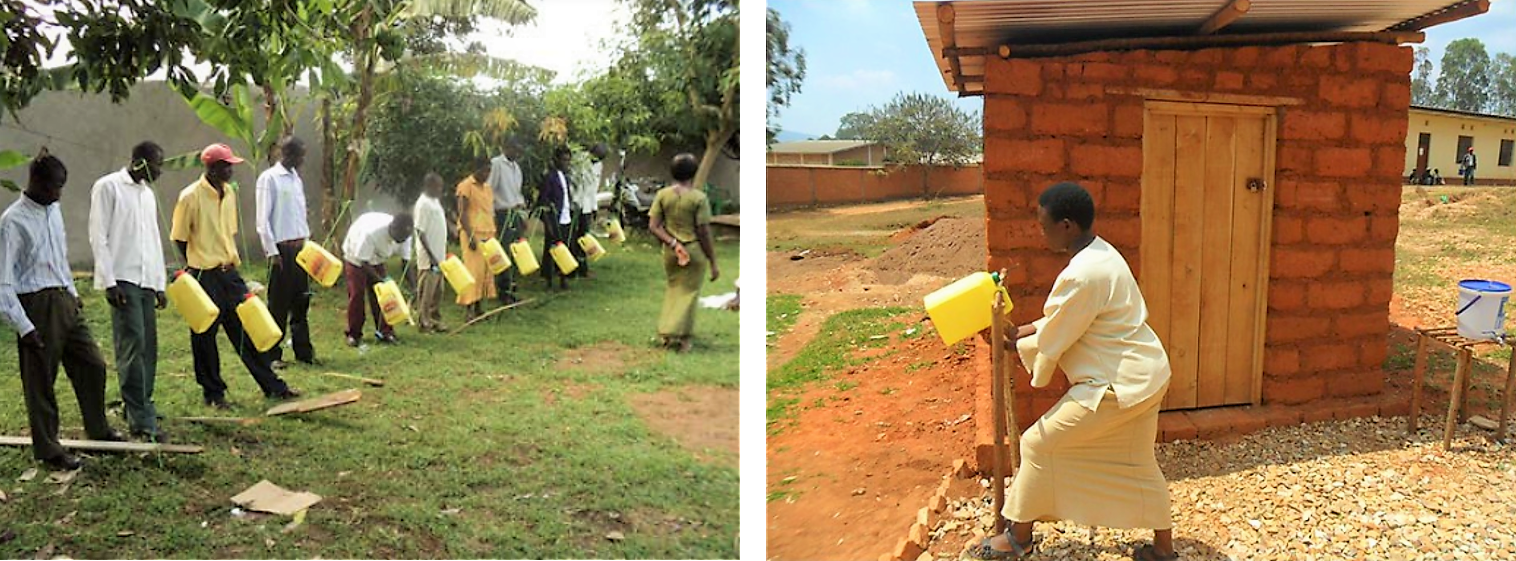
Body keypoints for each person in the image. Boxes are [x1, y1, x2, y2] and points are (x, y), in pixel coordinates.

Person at [971, 182, 1176, 561]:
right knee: (1138, 459)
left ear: (1066, 225)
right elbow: (1059, 320)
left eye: (1043, 223)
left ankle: (1020, 538)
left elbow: (1058, 333)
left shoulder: (1082, 274)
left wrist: (1014, 344)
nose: (1040, 230)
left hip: (1118, 383)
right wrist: (1018, 333)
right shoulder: (1104, 254)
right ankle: (1163, 550)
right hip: (1146, 374)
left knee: (1036, 444)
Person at [1, 152, 127, 469]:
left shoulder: (53, 210)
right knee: (42, 380)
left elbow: (59, 256)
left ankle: (98, 429)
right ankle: (49, 450)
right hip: (37, 305)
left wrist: (72, 292)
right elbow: (3, 282)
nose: (58, 194)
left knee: (93, 364)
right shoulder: (12, 222)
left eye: (61, 187)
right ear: (37, 182)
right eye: (54, 187)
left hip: (65, 301)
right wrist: (24, 326)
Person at [171, 143, 300, 409]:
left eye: (231, 165)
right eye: (225, 165)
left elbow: (227, 233)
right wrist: (196, 265)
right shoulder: (190, 196)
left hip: (229, 272)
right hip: (203, 275)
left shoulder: (229, 193)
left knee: (247, 328)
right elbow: (179, 238)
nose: (230, 170)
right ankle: (213, 394)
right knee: (204, 336)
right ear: (211, 167)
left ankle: (273, 386)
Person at [88, 141, 170, 443]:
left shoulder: (147, 195)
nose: (160, 170)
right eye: (156, 164)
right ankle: (142, 422)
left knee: (149, 348)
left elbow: (153, 240)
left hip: (146, 279)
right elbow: (98, 235)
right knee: (132, 349)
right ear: (139, 161)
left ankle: (140, 406)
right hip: (123, 279)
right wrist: (108, 281)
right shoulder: (108, 187)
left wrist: (160, 284)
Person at [648, 153, 721, 353]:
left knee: (674, 289)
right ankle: (683, 338)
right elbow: (704, 232)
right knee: (689, 294)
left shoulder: (663, 195)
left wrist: (672, 242)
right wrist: (713, 260)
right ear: (694, 172)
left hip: (671, 251)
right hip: (693, 250)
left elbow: (654, 226)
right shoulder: (698, 198)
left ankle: (666, 333)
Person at [255, 136, 317, 369]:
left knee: (301, 301)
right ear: (286, 154)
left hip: (300, 249)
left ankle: (304, 352)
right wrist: (272, 251)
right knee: (278, 304)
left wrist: (308, 242)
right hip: (281, 250)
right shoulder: (269, 178)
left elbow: (299, 215)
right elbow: (263, 220)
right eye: (298, 155)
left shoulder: (295, 179)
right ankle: (272, 354)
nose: (301, 160)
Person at [342, 211, 414, 346]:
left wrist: (413, 286)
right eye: (400, 238)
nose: (401, 241)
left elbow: (406, 262)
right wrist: (380, 280)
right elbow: (363, 262)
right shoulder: (372, 233)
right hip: (356, 256)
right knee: (357, 294)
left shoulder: (405, 234)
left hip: (377, 257)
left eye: (404, 238)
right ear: (392, 228)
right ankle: (354, 334)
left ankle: (385, 332)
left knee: (383, 295)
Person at [456, 159, 496, 319]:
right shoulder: (465, 186)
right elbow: (462, 212)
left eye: (489, 171)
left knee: (485, 272)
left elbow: (488, 210)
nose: (486, 175)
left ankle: (479, 306)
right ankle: (469, 308)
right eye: (484, 171)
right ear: (475, 169)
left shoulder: (487, 188)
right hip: (472, 233)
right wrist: (470, 235)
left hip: (488, 232)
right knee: (472, 271)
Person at [488, 140, 525, 304]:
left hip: (515, 212)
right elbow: (489, 189)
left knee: (515, 250)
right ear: (505, 148)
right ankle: (503, 289)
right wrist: (491, 215)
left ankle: (511, 286)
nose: (515, 153)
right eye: (513, 149)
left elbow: (517, 193)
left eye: (518, 151)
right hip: (501, 212)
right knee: (503, 251)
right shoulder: (497, 164)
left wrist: (522, 213)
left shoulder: (516, 168)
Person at [414, 173, 450, 333]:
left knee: (438, 291)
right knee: (426, 291)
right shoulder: (423, 204)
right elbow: (420, 232)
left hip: (439, 254)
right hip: (429, 258)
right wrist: (431, 256)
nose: (440, 190)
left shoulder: (435, 201)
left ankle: (435, 319)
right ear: (429, 186)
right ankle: (424, 321)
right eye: (438, 187)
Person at [537, 146, 575, 291]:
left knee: (564, 249)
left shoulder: (566, 177)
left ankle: (563, 279)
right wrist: (548, 222)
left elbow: (566, 196)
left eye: (568, 160)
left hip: (566, 218)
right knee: (551, 250)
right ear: (557, 160)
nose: (567, 163)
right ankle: (548, 281)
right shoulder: (550, 177)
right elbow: (544, 200)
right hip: (554, 219)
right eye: (564, 160)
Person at [569, 143, 608, 279]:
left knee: (584, 238)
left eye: (600, 159)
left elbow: (593, 188)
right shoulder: (579, 160)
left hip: (587, 206)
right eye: (596, 157)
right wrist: (574, 202)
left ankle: (583, 268)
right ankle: (570, 268)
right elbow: (573, 184)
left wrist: (594, 207)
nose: (597, 160)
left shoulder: (598, 165)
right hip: (574, 205)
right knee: (572, 237)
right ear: (591, 152)